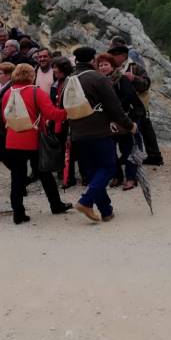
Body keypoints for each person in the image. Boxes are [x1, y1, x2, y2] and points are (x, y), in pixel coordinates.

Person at [68, 47, 137, 222]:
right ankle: (85, 201)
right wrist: (130, 125)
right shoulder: (97, 78)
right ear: (92, 60)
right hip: (98, 132)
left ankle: (105, 211)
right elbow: (114, 107)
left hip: (77, 133)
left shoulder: (70, 79)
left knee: (93, 172)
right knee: (108, 167)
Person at [1, 64, 72, 224]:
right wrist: (68, 113)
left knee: (17, 178)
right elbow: (51, 114)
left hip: (12, 140)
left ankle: (18, 213)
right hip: (32, 139)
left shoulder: (8, 93)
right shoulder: (36, 92)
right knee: (45, 173)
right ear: (31, 75)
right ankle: (56, 205)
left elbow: (5, 117)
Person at [96, 53, 145, 191]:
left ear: (112, 66)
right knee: (110, 149)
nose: (103, 67)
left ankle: (131, 177)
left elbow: (129, 98)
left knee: (128, 148)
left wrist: (113, 110)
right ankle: (117, 175)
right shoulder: (100, 81)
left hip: (128, 117)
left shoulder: (121, 79)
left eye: (106, 64)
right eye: (100, 65)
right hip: (111, 120)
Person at [108, 45, 163, 166]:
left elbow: (146, 84)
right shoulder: (115, 69)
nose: (112, 58)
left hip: (138, 105)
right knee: (132, 133)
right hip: (125, 106)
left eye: (114, 56)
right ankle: (131, 156)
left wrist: (134, 78)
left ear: (122, 56)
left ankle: (151, 157)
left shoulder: (135, 67)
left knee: (144, 131)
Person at [50, 56, 81, 189]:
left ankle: (71, 177)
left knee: (71, 149)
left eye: (56, 68)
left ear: (63, 69)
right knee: (61, 148)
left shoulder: (71, 82)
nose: (54, 70)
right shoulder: (55, 83)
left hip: (70, 120)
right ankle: (64, 174)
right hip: (58, 120)